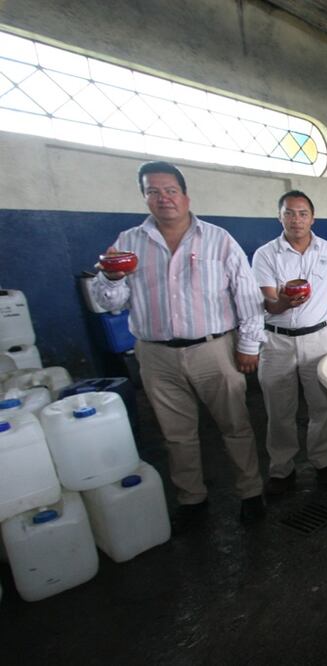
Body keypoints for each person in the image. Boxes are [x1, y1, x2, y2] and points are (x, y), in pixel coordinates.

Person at [92, 161, 266, 531]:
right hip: (155, 354)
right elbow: (110, 303)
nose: (163, 198)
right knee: (175, 434)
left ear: (185, 196)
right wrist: (109, 276)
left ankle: (250, 493)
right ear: (144, 198)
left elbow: (247, 296)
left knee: (235, 425)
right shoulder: (128, 242)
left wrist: (249, 346)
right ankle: (192, 499)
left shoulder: (218, 240)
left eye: (170, 190)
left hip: (214, 349)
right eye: (153, 191)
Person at [251, 190, 327, 495]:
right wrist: (285, 303)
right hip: (277, 342)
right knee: (278, 409)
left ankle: (323, 463)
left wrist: (318, 311)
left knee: (321, 406)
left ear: (313, 217)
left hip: (318, 339)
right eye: (289, 213)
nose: (296, 219)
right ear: (279, 217)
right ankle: (282, 471)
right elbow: (269, 303)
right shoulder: (266, 254)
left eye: (302, 213)